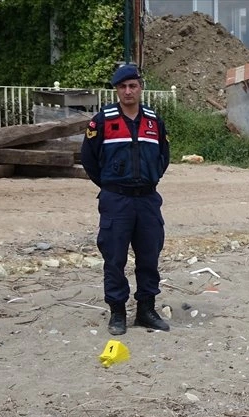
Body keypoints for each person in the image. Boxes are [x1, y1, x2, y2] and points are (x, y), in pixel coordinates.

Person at [81, 63, 171, 335]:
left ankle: (146, 309)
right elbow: (89, 159)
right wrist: (111, 185)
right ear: (117, 90)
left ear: (141, 87)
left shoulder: (154, 121)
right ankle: (117, 312)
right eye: (123, 87)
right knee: (114, 257)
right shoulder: (103, 120)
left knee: (149, 256)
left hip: (146, 200)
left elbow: (163, 157)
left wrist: (148, 179)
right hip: (116, 201)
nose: (128, 91)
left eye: (133, 86)